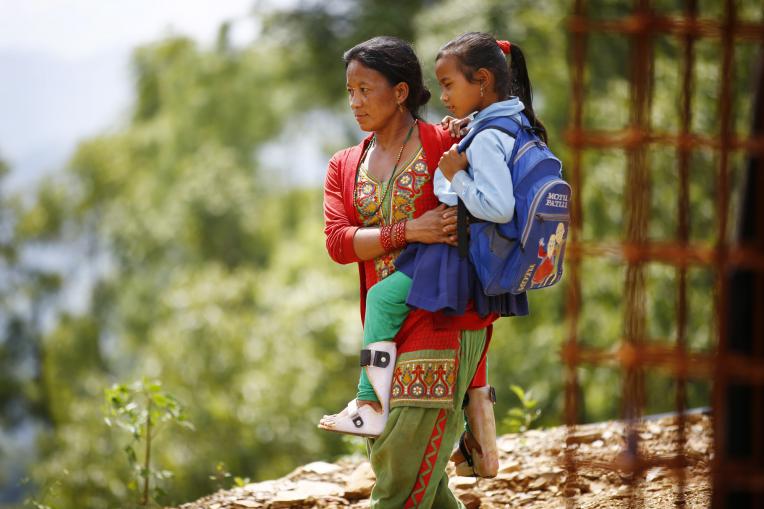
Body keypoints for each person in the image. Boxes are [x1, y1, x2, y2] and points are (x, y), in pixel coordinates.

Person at [322, 32, 546, 482]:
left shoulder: (443, 141)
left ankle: (464, 419)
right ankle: (377, 403)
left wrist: (476, 384)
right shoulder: (343, 165)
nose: (355, 102)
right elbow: (338, 242)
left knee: (400, 478)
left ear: (400, 92)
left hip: (441, 321)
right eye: (350, 91)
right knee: (418, 479)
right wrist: (409, 230)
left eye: (365, 90)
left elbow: (484, 226)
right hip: (380, 332)